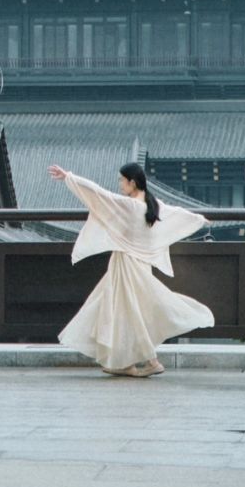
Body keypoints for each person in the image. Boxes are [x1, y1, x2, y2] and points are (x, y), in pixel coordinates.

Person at [49, 161, 214, 377]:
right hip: (138, 265)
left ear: (132, 182)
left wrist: (69, 177)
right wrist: (199, 219)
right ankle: (122, 362)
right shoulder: (153, 205)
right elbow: (178, 214)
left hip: (126, 265)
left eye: (122, 180)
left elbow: (100, 195)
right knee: (125, 311)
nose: (119, 184)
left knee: (127, 312)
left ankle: (150, 361)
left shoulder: (131, 206)